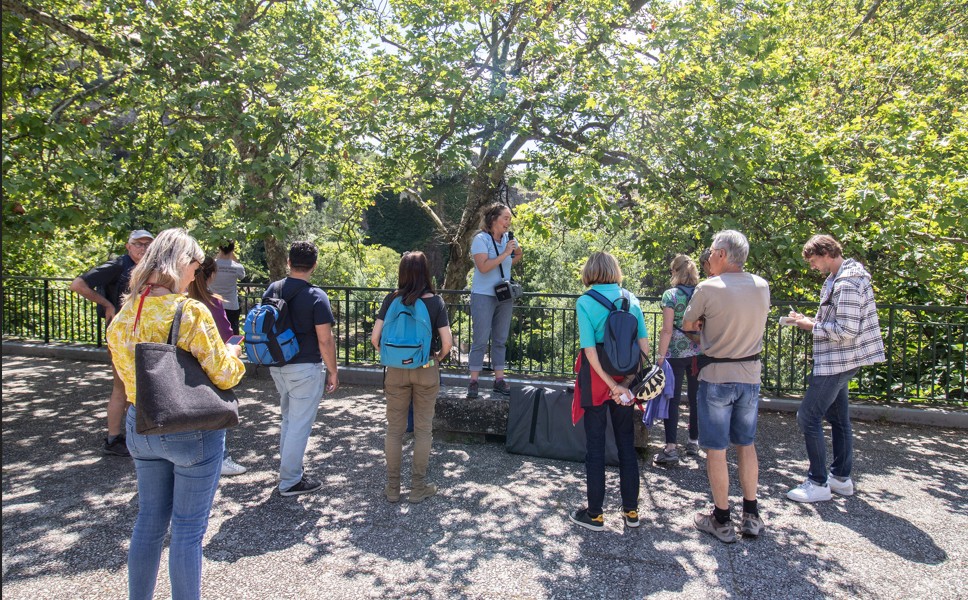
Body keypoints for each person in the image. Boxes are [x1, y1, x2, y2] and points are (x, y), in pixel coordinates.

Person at [106, 228, 245, 600]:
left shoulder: (124, 314)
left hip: (141, 426)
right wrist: (233, 356)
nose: (196, 275)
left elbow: (125, 375)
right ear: (181, 263)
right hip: (191, 429)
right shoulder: (190, 311)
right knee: (187, 529)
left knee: (148, 522)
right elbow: (225, 374)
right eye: (196, 266)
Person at [682, 230, 771, 543]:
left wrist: (706, 334)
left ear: (721, 253)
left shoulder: (708, 288)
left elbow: (688, 325)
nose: (708, 257)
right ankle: (752, 514)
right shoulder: (762, 285)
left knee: (716, 449)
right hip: (750, 375)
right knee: (746, 443)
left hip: (717, 375)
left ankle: (721, 519)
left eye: (710, 251)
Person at [786, 234, 886, 502]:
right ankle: (840, 478)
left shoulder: (848, 283)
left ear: (826, 253)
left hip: (837, 361)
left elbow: (848, 330)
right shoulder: (841, 278)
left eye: (813, 260)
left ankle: (818, 482)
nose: (812, 267)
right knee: (839, 419)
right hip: (841, 360)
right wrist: (808, 320)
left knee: (807, 417)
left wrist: (811, 326)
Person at [568, 252, 649, 531]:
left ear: (589, 271)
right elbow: (644, 349)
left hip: (596, 379)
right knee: (626, 444)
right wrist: (624, 385)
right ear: (615, 270)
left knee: (595, 446)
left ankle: (595, 514)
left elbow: (589, 350)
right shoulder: (632, 300)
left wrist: (610, 385)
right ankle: (631, 512)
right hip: (625, 379)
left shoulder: (585, 302)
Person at [371, 251, 453, 504]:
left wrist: (395, 358)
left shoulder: (391, 300)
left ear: (402, 272)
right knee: (423, 431)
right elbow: (447, 343)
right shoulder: (435, 302)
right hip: (426, 368)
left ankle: (392, 488)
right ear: (426, 272)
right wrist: (436, 358)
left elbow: (376, 339)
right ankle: (418, 487)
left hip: (395, 372)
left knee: (394, 431)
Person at [264, 241, 339, 496]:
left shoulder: (273, 289)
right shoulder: (316, 296)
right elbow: (325, 339)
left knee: (288, 419)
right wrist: (333, 370)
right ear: (314, 265)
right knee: (299, 424)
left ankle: (290, 471)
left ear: (289, 262)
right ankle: (290, 480)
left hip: (278, 365)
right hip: (306, 367)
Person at [71, 229, 155, 456]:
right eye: (139, 244)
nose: (143, 248)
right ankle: (113, 438)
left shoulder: (150, 267)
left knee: (137, 387)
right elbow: (78, 284)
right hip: (121, 337)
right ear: (128, 246)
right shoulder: (118, 265)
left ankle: (133, 435)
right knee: (122, 387)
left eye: (148, 244)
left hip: (141, 335)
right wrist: (107, 305)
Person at [187, 256, 248, 477]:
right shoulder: (212, 302)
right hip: (210, 364)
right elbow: (225, 335)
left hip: (186, 366)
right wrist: (234, 349)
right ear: (211, 275)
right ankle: (220, 458)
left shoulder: (180, 300)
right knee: (216, 410)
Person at [466, 203, 523, 399]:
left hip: (504, 296)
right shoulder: (480, 239)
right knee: (480, 339)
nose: (509, 222)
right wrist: (505, 254)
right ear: (493, 220)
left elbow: (518, 255)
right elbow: (483, 267)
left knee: (500, 339)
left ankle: (499, 380)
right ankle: (474, 381)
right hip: (483, 295)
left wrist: (511, 255)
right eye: (505, 218)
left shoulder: (508, 239)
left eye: (509, 219)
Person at [654, 255, 703, 465]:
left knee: (672, 400)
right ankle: (693, 442)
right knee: (696, 400)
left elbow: (667, 330)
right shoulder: (703, 292)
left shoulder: (670, 295)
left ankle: (671, 448)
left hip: (674, 355)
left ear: (675, 272)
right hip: (699, 353)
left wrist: (660, 357)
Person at [211, 241, 246, 335]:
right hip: (232, 305)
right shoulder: (237, 267)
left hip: (213, 304)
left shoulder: (212, 265)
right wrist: (233, 256)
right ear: (233, 249)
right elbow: (242, 276)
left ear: (219, 248)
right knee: (232, 332)